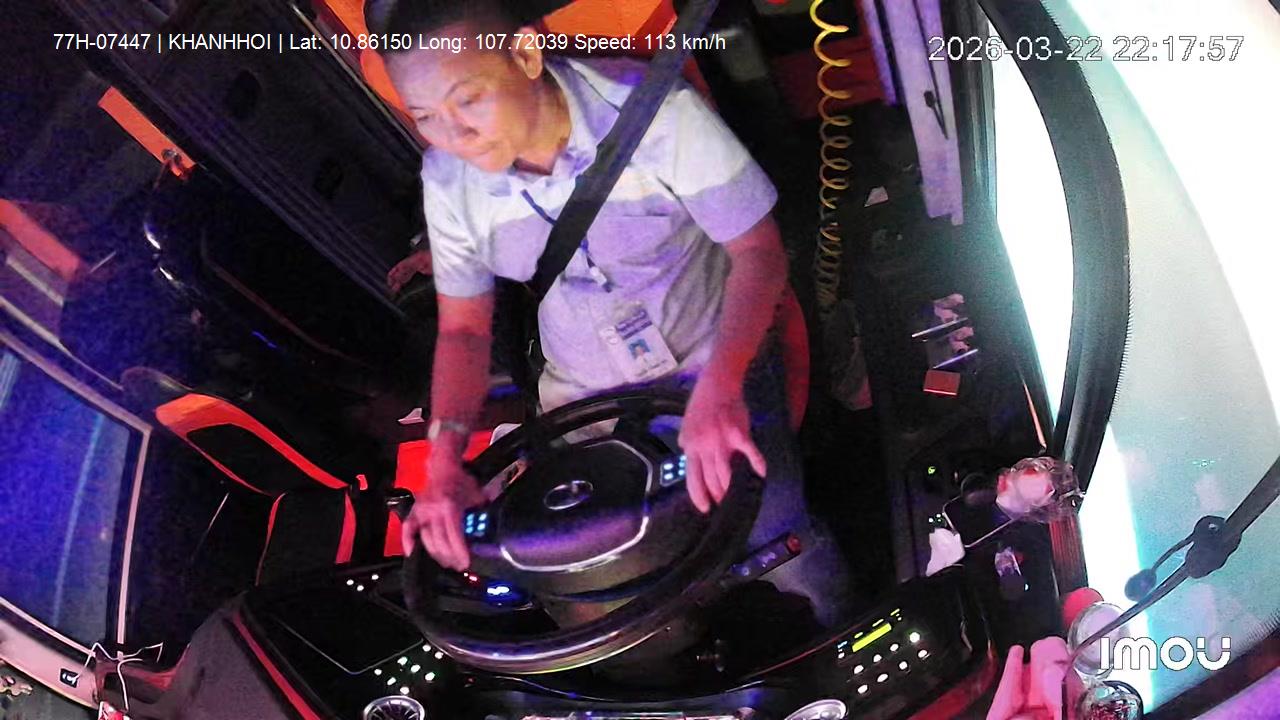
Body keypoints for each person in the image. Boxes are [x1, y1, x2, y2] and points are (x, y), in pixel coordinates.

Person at [375, 0, 851, 625]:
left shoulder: (657, 116)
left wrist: (722, 385)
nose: (451, 135)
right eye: (425, 117)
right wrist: (443, 460)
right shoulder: (447, 178)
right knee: (593, 573)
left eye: (468, 101)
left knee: (776, 535)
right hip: (581, 401)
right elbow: (464, 331)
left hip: (708, 367)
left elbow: (759, 254)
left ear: (525, 54)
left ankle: (836, 624)